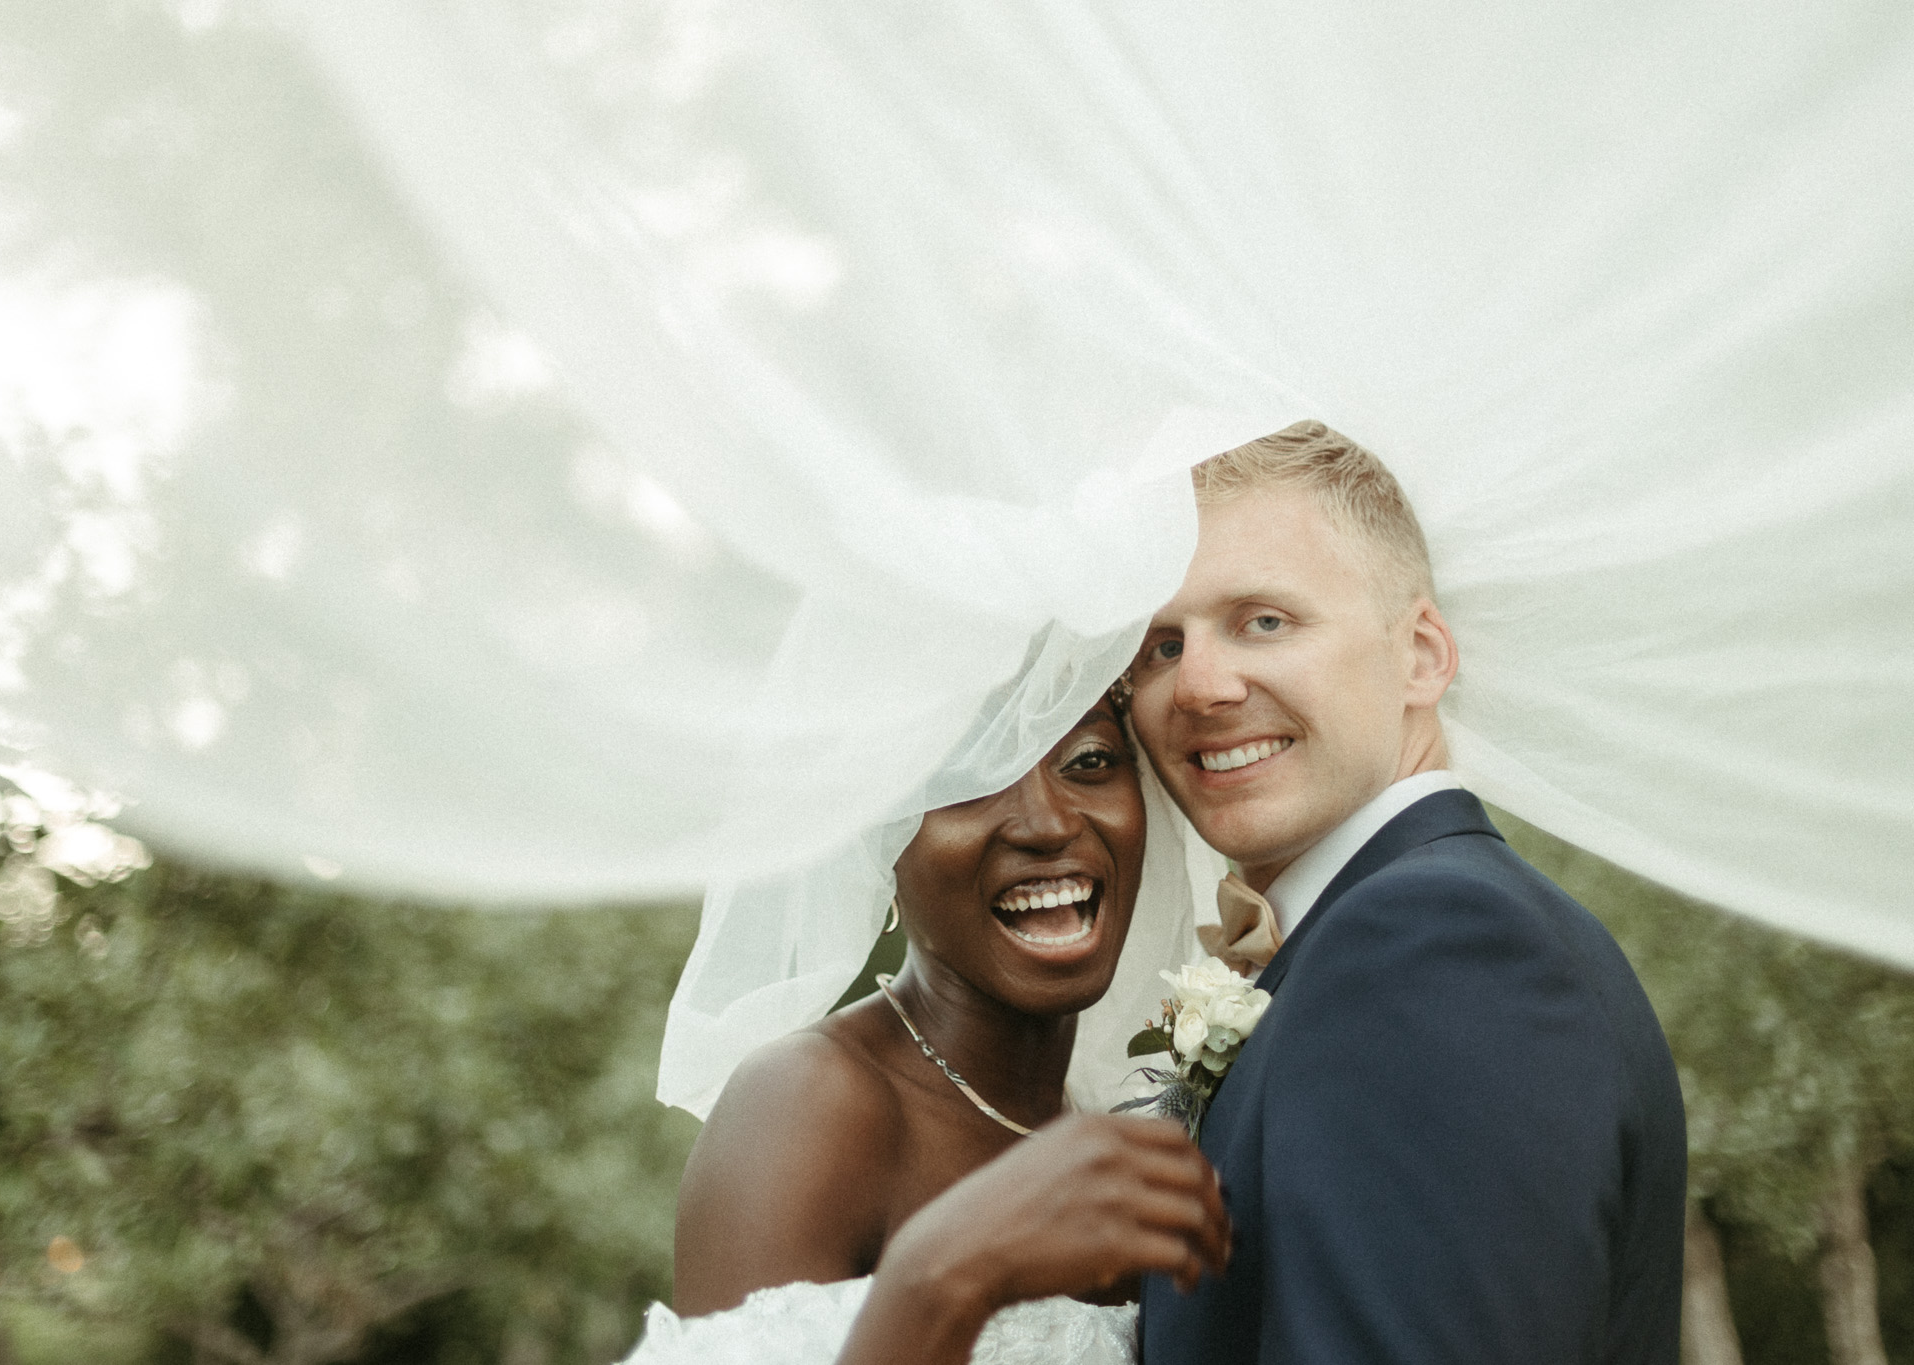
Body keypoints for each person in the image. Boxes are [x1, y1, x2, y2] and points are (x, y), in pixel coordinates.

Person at [1130, 422, 1688, 1364]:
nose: (1200, 684)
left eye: (1264, 620)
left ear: (1423, 655)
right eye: (1159, 644)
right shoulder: (1384, 930)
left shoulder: (1434, 942)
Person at [630, 694, 1229, 1365]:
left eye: (1089, 760)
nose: (1047, 822)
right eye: (968, 783)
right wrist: (949, 1269)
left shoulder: (1117, 1114)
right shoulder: (808, 1100)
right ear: (880, 839)